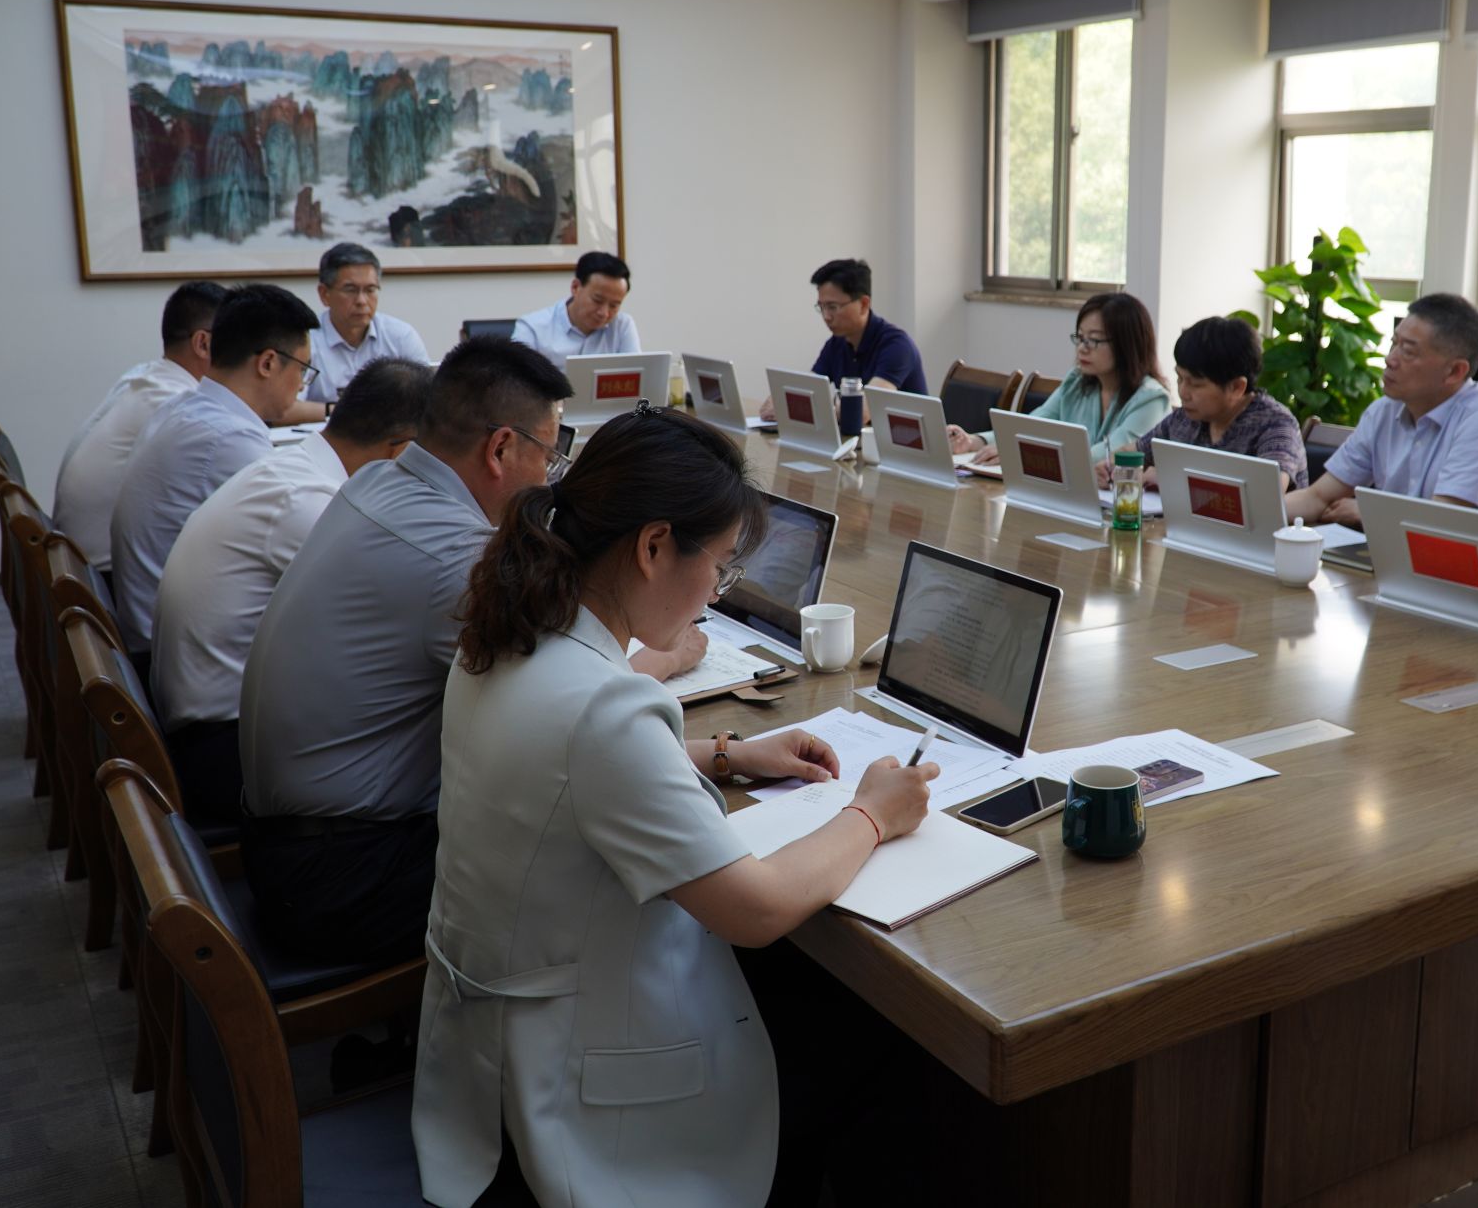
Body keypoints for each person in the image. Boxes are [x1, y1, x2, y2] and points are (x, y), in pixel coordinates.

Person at [412, 405, 940, 1208]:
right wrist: (873, 813)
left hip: (491, 1052)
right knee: (891, 1045)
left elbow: (561, 773)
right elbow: (757, 908)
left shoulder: (504, 632)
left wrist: (729, 753)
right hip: (583, 1089)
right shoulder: (604, 710)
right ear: (654, 545)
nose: (714, 595)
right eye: (720, 567)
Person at [239, 340, 706, 969]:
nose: (551, 478)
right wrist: (671, 655)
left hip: (287, 837)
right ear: (501, 448)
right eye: (551, 454)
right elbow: (574, 704)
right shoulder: (457, 559)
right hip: (343, 876)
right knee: (600, 866)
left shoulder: (377, 479)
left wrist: (720, 752)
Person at [149, 359, 432, 825]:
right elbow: (406, 615)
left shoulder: (294, 470)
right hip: (221, 750)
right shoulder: (308, 504)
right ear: (402, 451)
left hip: (209, 725)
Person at [108, 285, 320, 658]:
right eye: (303, 370)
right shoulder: (229, 439)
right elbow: (310, 551)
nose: (302, 385)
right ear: (268, 363)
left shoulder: (183, 407)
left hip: (152, 629)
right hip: (174, 651)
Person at [1282, 293, 1478, 527]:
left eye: (1408, 351)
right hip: (1399, 550)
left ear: (1454, 371)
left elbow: (1444, 521)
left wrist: (1368, 511)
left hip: (1472, 556)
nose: (1390, 359)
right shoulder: (1384, 411)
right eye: (1394, 344)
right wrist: (1260, 511)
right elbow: (1318, 497)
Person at [53, 282, 226, 574]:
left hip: (76, 565)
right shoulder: (175, 403)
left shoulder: (149, 379)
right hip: (100, 579)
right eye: (237, 341)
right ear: (203, 344)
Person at [947, 292, 1169, 467]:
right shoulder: (1077, 382)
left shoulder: (1151, 399)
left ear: (1126, 344)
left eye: (1093, 340)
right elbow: (1033, 425)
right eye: (1080, 337)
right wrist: (975, 441)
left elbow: (1111, 454)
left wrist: (1021, 453)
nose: (1082, 348)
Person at [1119, 315, 1306, 492]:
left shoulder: (1276, 425)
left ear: (1237, 387)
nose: (1183, 392)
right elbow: (1133, 453)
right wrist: (1111, 467)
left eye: (1196, 384)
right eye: (1179, 378)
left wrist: (1171, 478)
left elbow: (1268, 492)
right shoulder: (1184, 419)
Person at [756, 258, 926, 419]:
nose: (826, 316)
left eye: (832, 307)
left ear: (864, 304)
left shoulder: (897, 346)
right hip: (862, 438)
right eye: (821, 307)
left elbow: (861, 412)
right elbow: (806, 390)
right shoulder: (836, 343)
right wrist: (782, 400)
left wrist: (793, 407)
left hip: (908, 439)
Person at [285, 242, 431, 423]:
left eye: (370, 290)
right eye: (350, 290)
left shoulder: (400, 336)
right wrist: (349, 412)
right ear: (324, 294)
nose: (362, 301)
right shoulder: (305, 340)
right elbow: (285, 409)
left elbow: (428, 400)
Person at [513, 251, 640, 364]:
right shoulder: (532, 328)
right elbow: (517, 380)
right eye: (597, 300)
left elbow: (637, 375)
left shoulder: (622, 326)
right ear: (575, 287)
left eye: (614, 305)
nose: (604, 313)